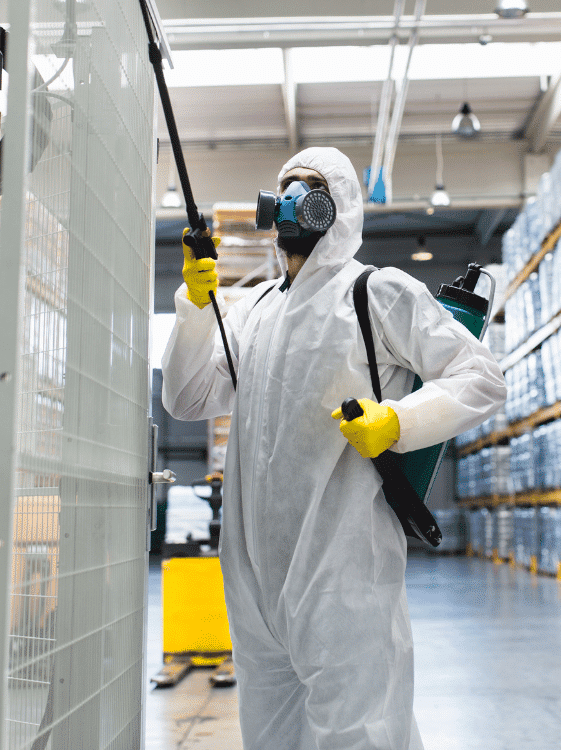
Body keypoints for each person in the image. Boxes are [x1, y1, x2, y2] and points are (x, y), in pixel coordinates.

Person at [161, 146, 506, 750]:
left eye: (310, 189)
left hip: (343, 578)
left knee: (361, 737)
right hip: (254, 584)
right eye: (286, 189)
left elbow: (479, 377)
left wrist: (397, 421)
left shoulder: (376, 294)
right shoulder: (257, 311)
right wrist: (194, 308)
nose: (293, 201)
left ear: (337, 208)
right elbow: (187, 398)